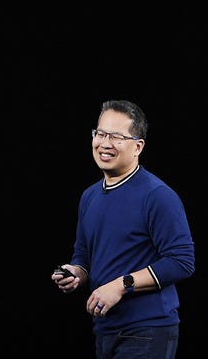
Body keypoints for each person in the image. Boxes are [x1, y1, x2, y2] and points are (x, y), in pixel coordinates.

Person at [52, 99, 195, 359]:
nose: (105, 143)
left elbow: (182, 261)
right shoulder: (89, 197)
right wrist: (76, 273)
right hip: (104, 328)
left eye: (116, 136)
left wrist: (121, 285)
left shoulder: (157, 195)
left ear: (138, 146)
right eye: (100, 134)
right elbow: (83, 257)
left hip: (147, 330)